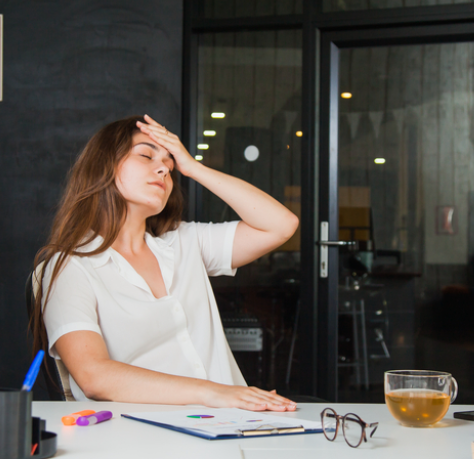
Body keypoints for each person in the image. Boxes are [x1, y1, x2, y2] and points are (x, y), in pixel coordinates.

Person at [31, 115, 299, 411]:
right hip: (143, 433)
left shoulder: (186, 242)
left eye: (170, 167)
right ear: (103, 165)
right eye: (146, 156)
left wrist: (193, 167)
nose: (163, 169)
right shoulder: (72, 267)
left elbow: (281, 225)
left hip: (236, 422)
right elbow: (94, 376)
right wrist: (212, 393)